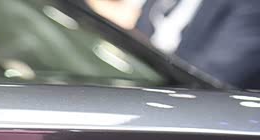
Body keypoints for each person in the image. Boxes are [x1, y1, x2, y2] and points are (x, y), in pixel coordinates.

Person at [89, 0, 260, 89]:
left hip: (188, 110)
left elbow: (205, 80)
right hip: (138, 78)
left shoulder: (252, 7)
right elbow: (141, 29)